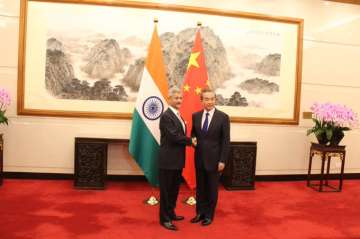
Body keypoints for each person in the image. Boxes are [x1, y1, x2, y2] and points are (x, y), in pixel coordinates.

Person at [190, 87, 230, 226]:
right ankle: (200, 213)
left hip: (215, 160)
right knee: (200, 188)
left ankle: (209, 215)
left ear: (215, 100)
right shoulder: (195, 116)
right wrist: (193, 138)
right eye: (206, 99)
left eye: (212, 99)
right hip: (199, 158)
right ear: (201, 101)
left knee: (212, 189)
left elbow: (226, 141)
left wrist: (223, 160)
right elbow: (193, 134)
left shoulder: (223, 117)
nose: (210, 102)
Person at [158, 87, 196, 231]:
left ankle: (171, 213)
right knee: (166, 191)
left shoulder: (178, 115)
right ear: (169, 99)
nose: (179, 100)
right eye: (176, 98)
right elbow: (174, 136)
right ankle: (164, 219)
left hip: (177, 161)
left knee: (174, 190)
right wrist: (191, 141)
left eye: (180, 98)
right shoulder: (166, 116)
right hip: (167, 161)